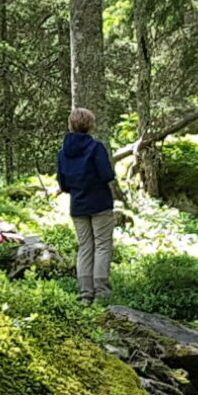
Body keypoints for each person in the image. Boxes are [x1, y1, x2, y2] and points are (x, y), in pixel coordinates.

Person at [57, 108, 118, 303]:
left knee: (84, 247)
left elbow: (63, 184)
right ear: (90, 125)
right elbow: (107, 175)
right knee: (102, 245)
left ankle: (85, 293)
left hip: (78, 205)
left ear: (71, 125)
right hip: (100, 203)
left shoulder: (63, 152)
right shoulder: (96, 147)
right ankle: (101, 292)